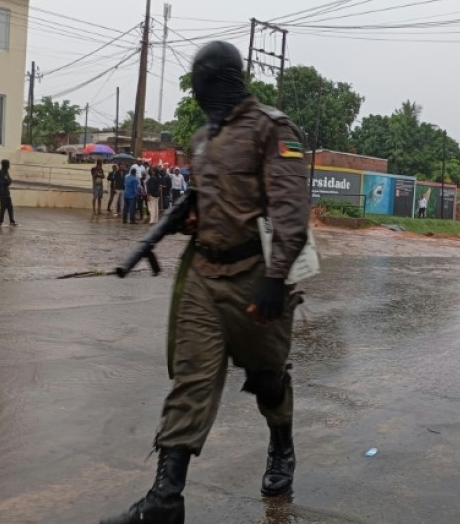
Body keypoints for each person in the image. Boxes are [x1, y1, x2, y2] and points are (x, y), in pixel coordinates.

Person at [101, 40, 311, 524]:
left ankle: (281, 445)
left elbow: (291, 212)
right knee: (191, 379)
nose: (195, 92)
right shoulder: (203, 137)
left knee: (266, 378)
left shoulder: (273, 129)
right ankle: (164, 499)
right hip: (204, 275)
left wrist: (276, 279)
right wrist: (172, 226)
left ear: (219, 79)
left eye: (199, 82)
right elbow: (199, 201)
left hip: (257, 276)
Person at [0, 159, 18, 227]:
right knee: (3, 207)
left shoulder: (6, 172)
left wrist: (8, 181)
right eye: (8, 164)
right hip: (2, 192)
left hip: (7, 192)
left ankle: (12, 221)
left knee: (10, 207)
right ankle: (0, 222)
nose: (9, 166)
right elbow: (4, 182)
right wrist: (8, 181)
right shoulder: (1, 172)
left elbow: (9, 181)